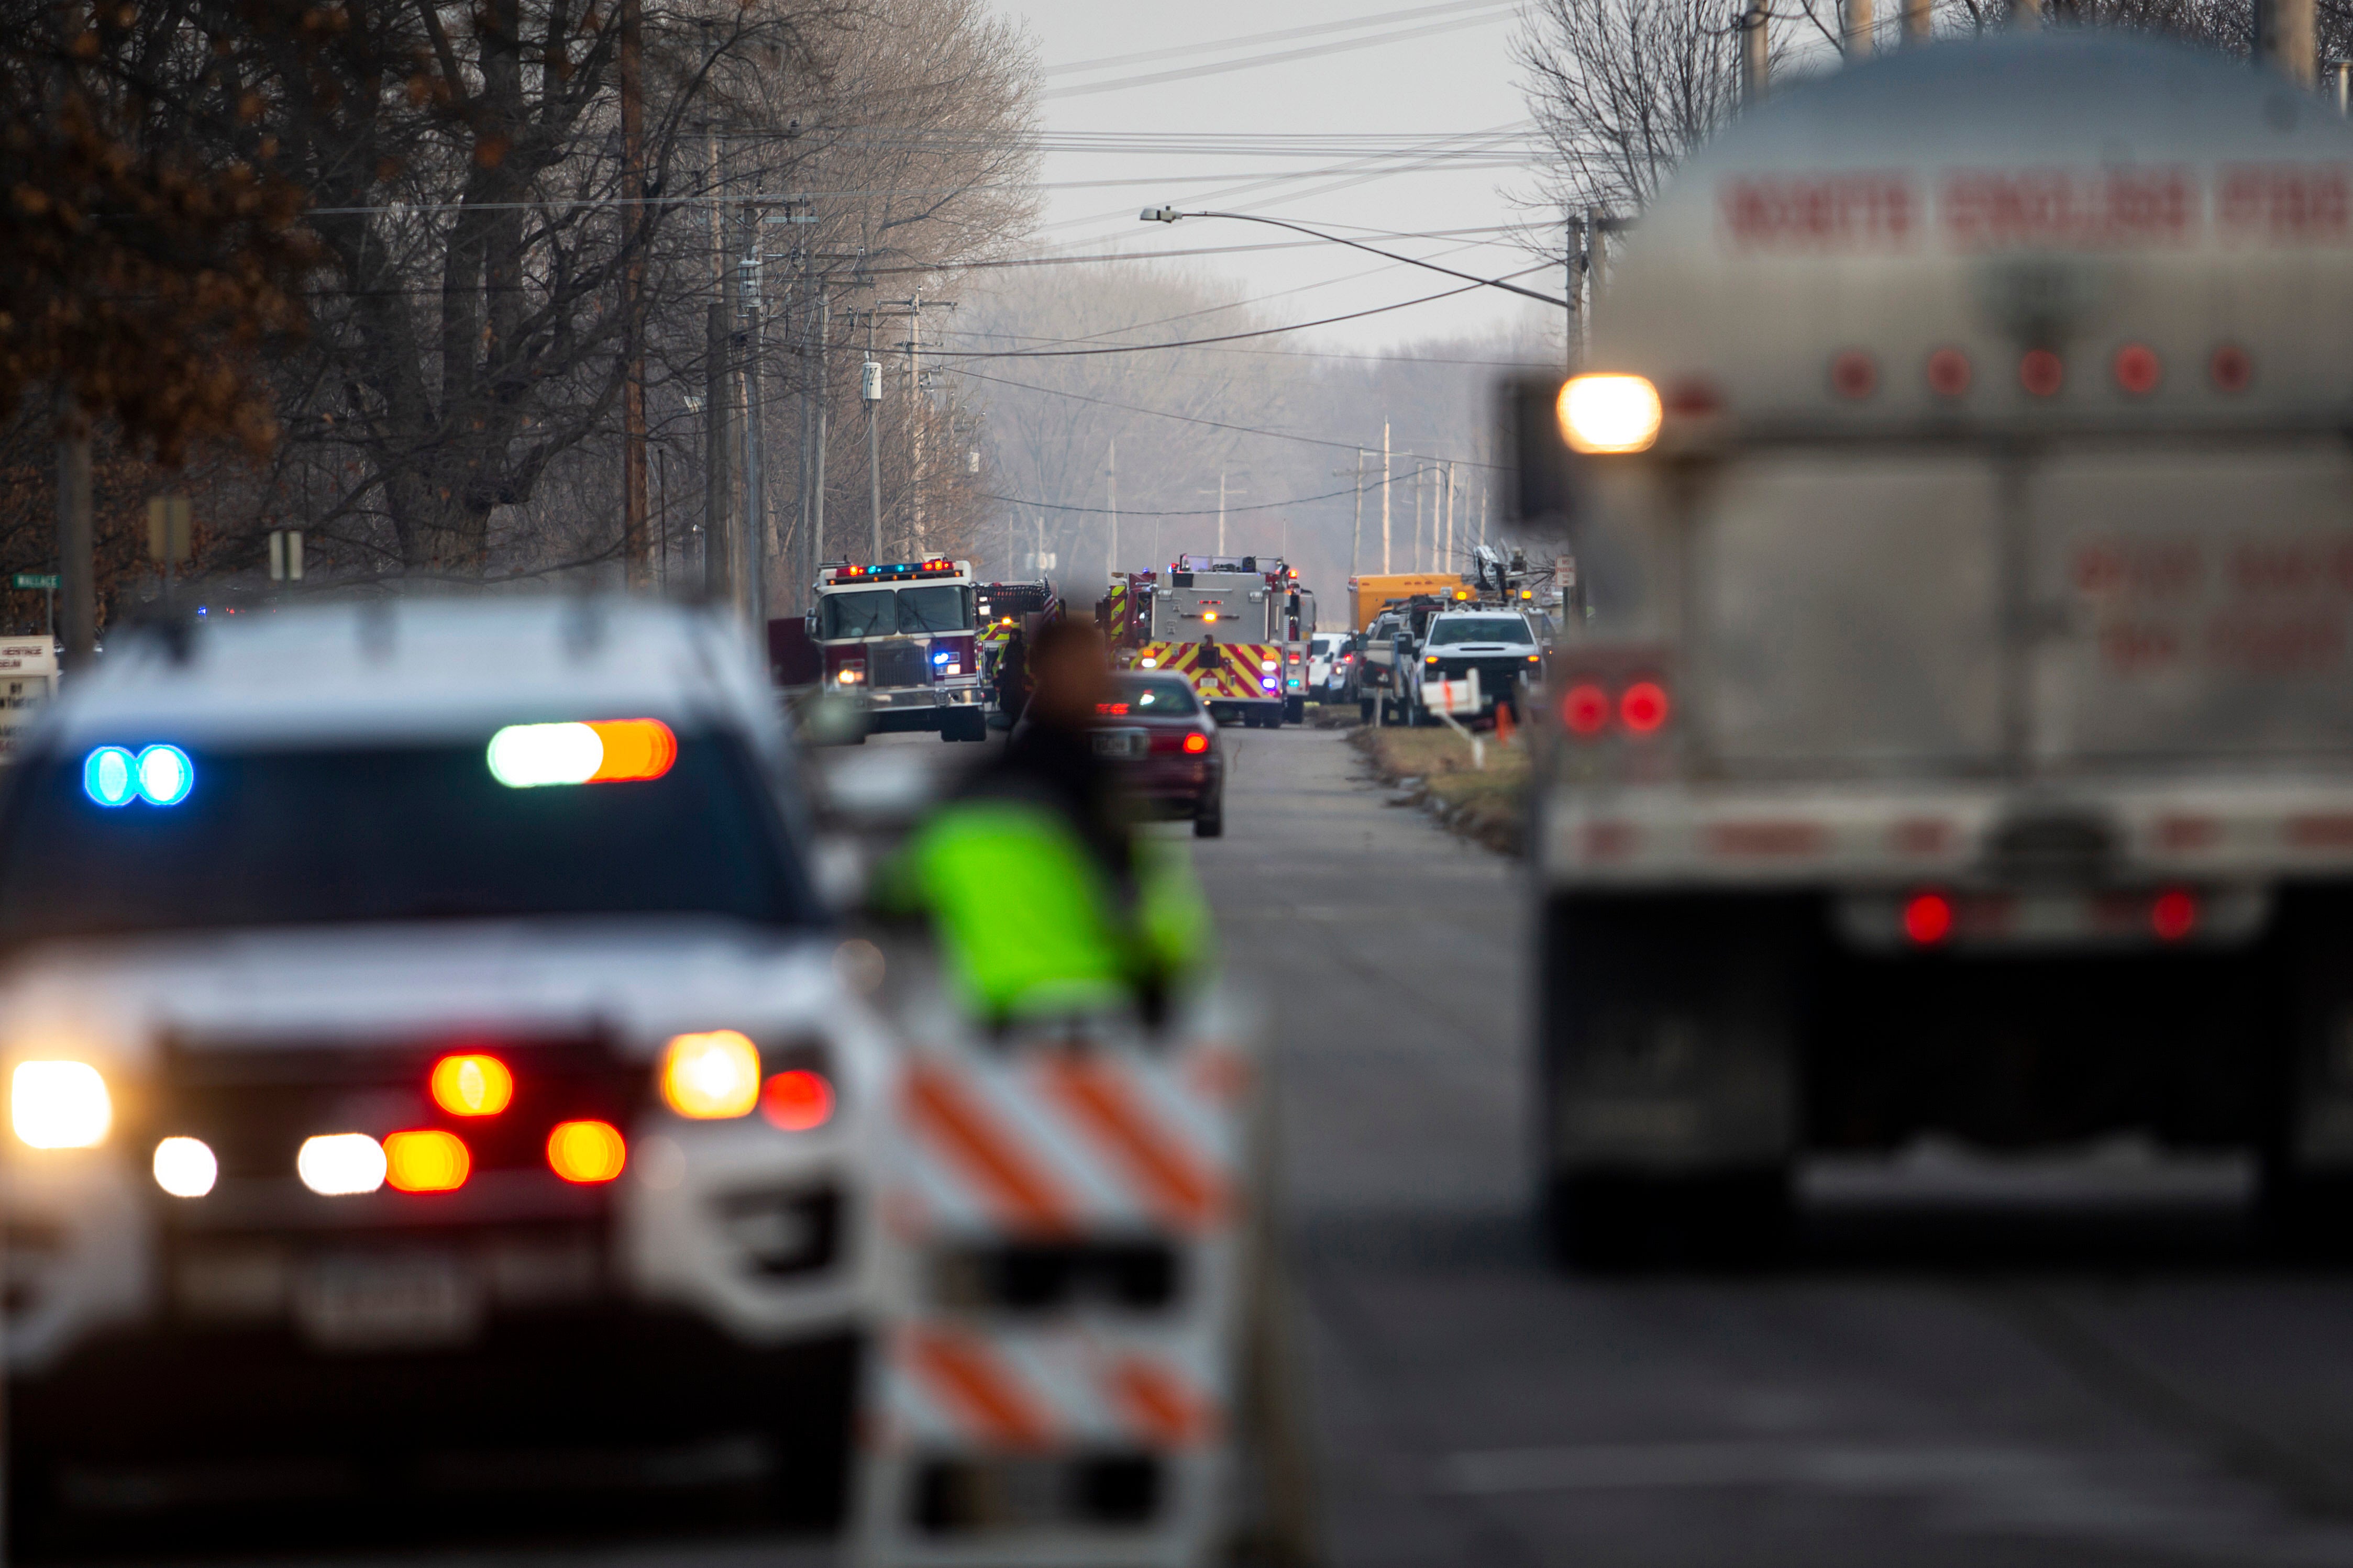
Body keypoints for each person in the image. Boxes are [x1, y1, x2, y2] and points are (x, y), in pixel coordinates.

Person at [890, 618, 1210, 1027]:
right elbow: (1155, 911)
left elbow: (905, 896)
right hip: (1101, 1011)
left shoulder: (974, 787)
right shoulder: (1098, 793)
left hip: (992, 1009)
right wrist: (1163, 977)